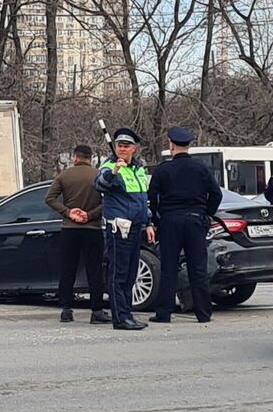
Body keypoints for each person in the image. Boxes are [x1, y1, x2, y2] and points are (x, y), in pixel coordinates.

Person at [148, 126, 223, 324]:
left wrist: (157, 220)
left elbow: (152, 198)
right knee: (197, 268)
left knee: (169, 268)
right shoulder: (201, 168)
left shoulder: (163, 170)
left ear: (171, 146)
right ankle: (203, 313)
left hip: (170, 221)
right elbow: (217, 194)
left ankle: (164, 313)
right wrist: (206, 213)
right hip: (195, 220)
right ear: (189, 146)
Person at [94, 128, 153, 331]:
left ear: (134, 149)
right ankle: (120, 318)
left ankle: (127, 313)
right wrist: (114, 172)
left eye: (126, 146)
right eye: (119, 145)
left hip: (136, 227)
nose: (122, 149)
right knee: (117, 273)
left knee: (130, 274)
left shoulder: (138, 169)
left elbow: (143, 200)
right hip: (119, 228)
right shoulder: (110, 166)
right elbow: (100, 185)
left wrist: (149, 223)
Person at [45, 145, 110, 324]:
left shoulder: (64, 176)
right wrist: (90, 215)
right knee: (94, 270)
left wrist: (68, 212)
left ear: (75, 157)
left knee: (68, 269)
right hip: (92, 229)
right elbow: (108, 202)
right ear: (90, 158)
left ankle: (66, 309)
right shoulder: (98, 175)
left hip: (69, 229)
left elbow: (49, 199)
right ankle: (97, 310)